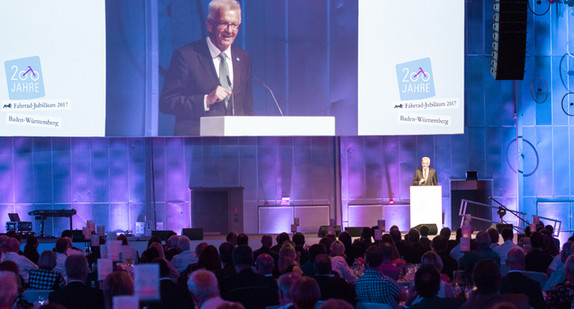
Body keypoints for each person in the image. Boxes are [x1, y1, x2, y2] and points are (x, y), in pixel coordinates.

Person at [159, 0, 253, 136]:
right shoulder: (186, 56)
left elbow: (247, 109)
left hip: (235, 147)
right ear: (210, 25)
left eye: (234, 25)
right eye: (224, 23)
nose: (229, 30)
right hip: (198, 146)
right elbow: (166, 102)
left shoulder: (243, 58)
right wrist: (206, 100)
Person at [355, 245, 406, 309]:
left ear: (366, 261)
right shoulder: (388, 283)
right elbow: (404, 297)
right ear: (381, 261)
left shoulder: (357, 284)